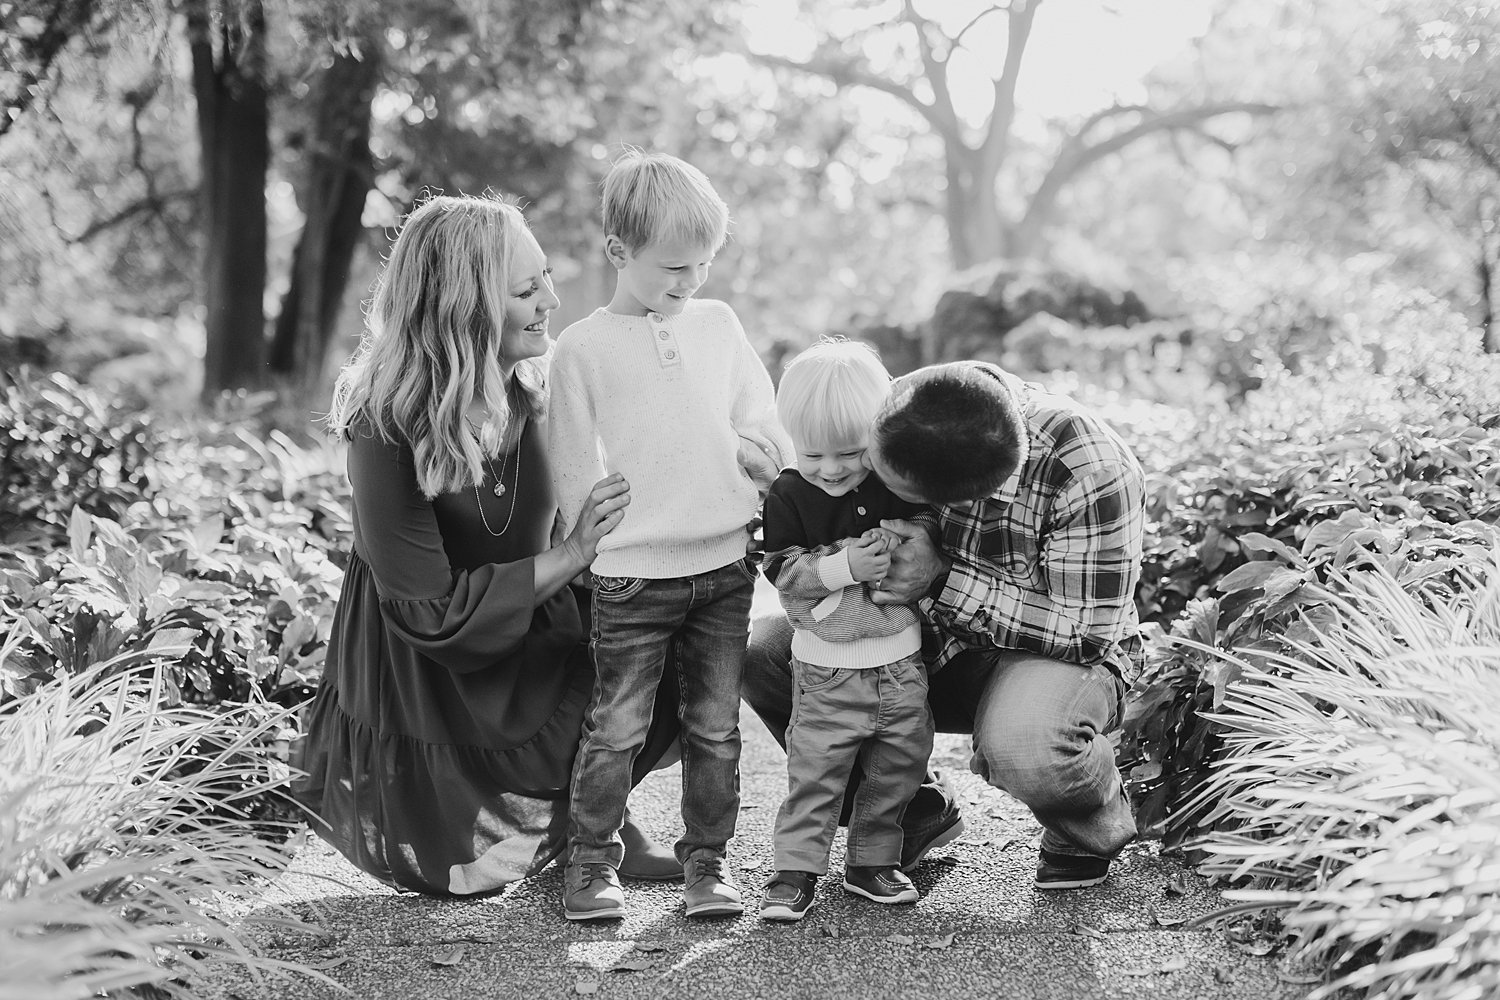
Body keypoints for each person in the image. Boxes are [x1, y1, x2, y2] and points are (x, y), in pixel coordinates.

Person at [292, 194, 684, 897]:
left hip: (529, 624)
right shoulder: (387, 422)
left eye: (547, 280)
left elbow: (641, 455)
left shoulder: (545, 381)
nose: (552, 301)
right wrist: (570, 556)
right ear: (463, 304)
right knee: (455, 880)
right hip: (432, 671)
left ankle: (597, 820)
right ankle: (537, 816)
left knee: (685, 629)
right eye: (526, 289)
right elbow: (427, 614)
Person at [742, 360, 1147, 891]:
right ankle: (910, 807)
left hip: (1052, 656)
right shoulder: (913, 411)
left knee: (1028, 744)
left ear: (959, 501)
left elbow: (1085, 635)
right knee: (769, 654)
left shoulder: (1089, 471)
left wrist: (939, 578)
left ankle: (1082, 822)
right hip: (922, 646)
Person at [545, 150, 792, 921]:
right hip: (631, 574)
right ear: (619, 253)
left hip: (723, 568)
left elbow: (759, 418)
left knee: (716, 729)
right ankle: (589, 863)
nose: (691, 285)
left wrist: (765, 463)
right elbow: (571, 457)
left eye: (703, 266)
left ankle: (707, 864)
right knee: (615, 727)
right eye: (674, 268)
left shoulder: (718, 325)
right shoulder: (581, 348)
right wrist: (591, 526)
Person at [756, 339, 933, 923]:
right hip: (827, 668)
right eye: (813, 455)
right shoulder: (788, 493)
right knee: (817, 770)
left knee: (898, 767)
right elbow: (781, 569)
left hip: (901, 666)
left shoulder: (898, 484)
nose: (830, 470)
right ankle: (794, 870)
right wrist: (843, 567)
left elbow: (930, 538)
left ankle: (871, 862)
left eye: (850, 453)